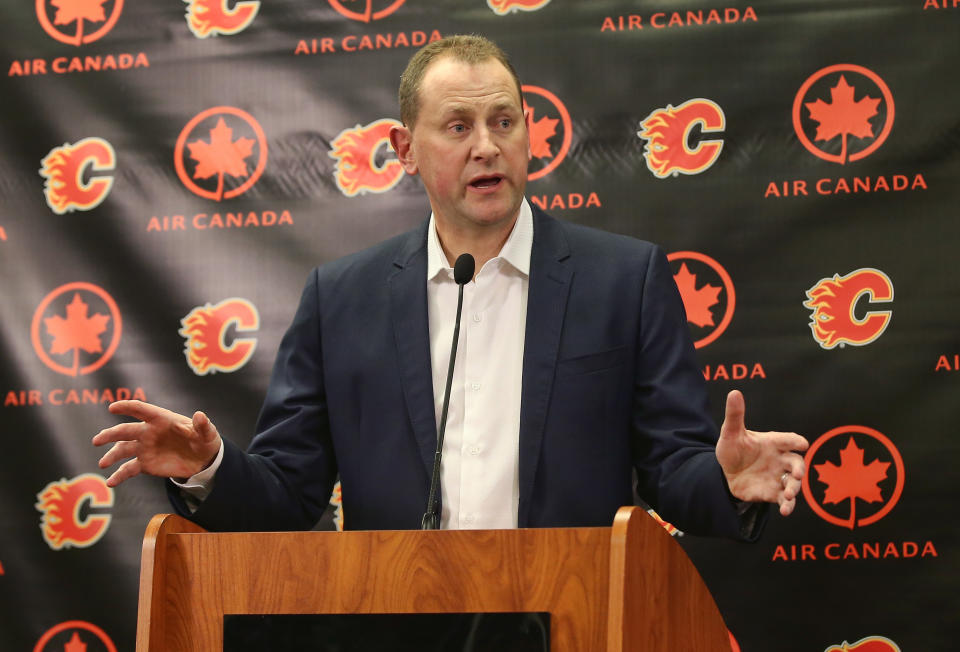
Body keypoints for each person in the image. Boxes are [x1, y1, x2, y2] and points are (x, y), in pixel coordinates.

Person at [93, 35, 808, 536]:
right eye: (458, 126)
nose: (487, 146)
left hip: (573, 617)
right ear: (406, 149)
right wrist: (208, 469)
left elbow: (671, 467)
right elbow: (290, 491)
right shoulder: (342, 300)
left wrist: (724, 481)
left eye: (504, 121)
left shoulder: (625, 280)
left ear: (530, 133)